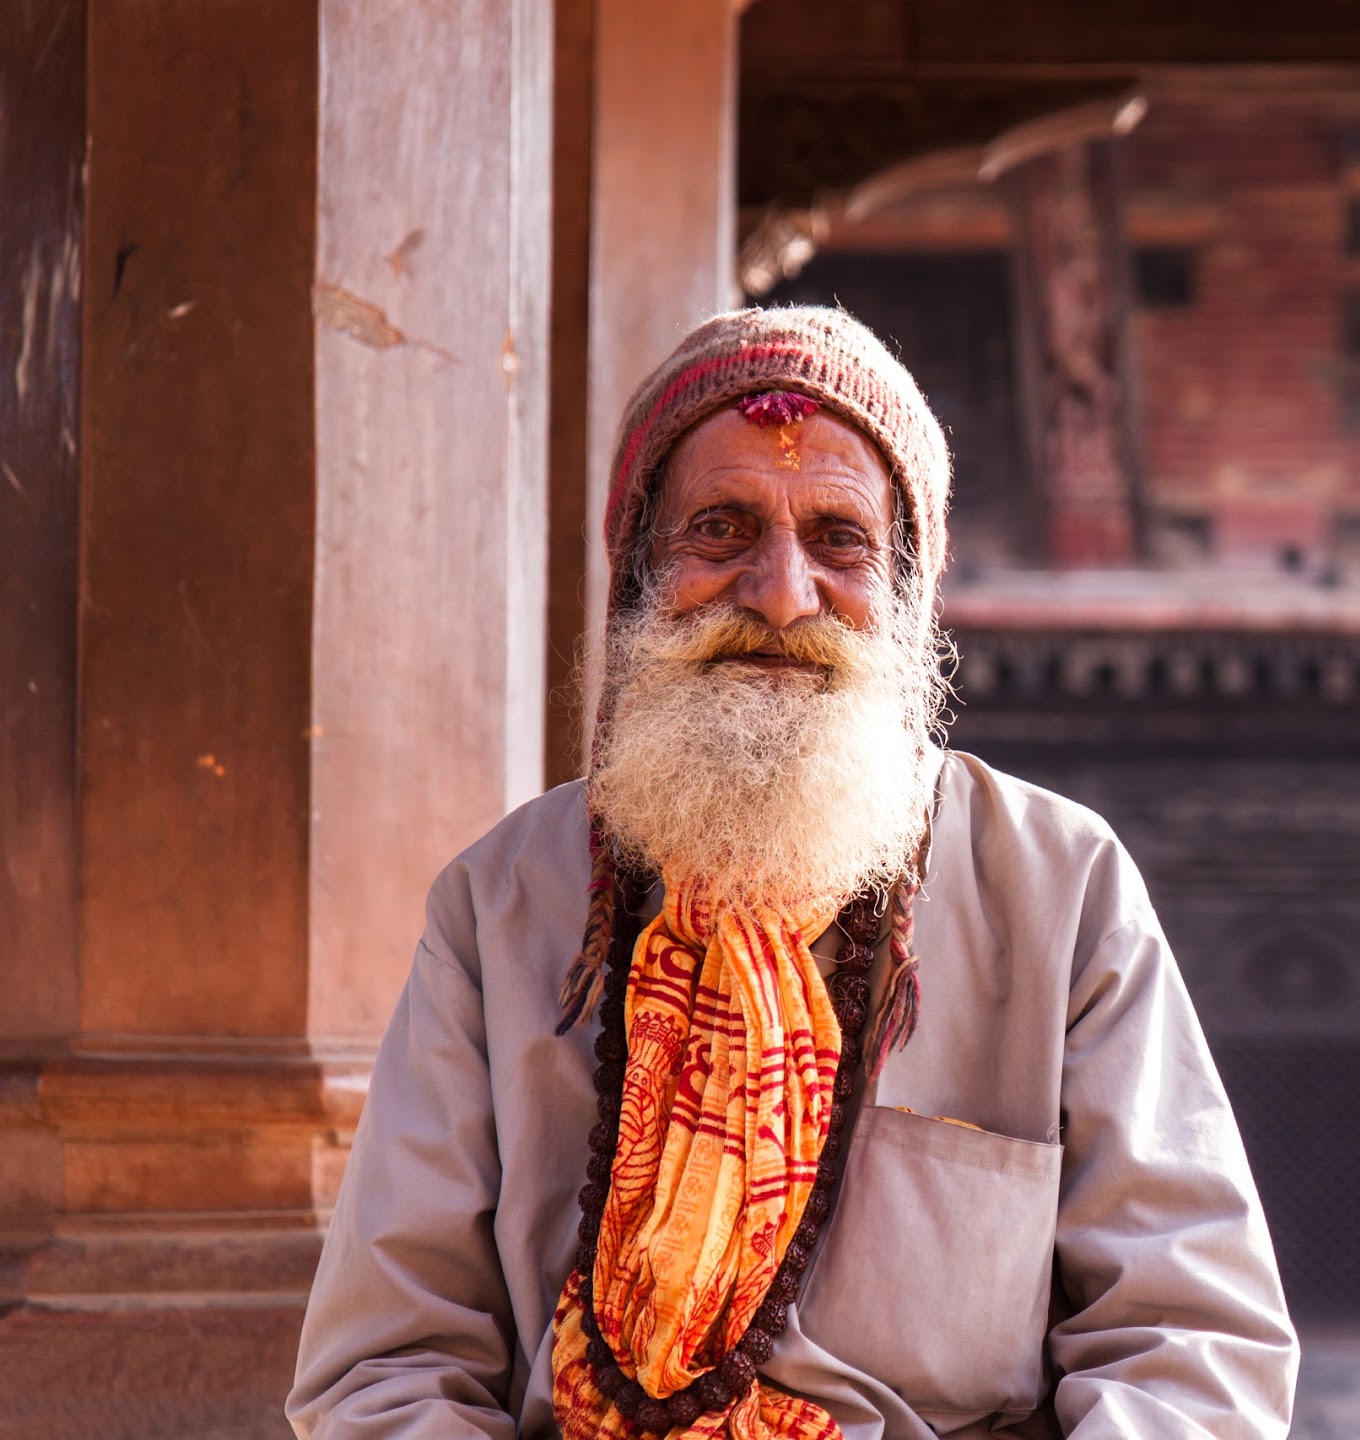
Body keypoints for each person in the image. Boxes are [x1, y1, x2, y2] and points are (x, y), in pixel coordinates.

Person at [287, 306, 1298, 1440]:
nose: (780, 593)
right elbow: (386, 1369)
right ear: (640, 579)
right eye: (720, 531)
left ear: (905, 595)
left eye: (837, 539)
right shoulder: (502, 905)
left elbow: (1192, 1355)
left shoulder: (1060, 889)